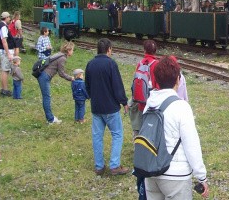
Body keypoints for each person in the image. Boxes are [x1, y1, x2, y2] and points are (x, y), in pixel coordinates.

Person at [143, 56, 209, 199]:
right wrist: (201, 177)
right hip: (175, 175)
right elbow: (191, 144)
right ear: (178, 80)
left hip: (151, 171)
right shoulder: (181, 107)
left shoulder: (150, 104)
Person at [85, 38, 129, 176]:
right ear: (109, 49)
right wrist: (124, 102)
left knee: (97, 136)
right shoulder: (111, 64)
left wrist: (92, 97)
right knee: (117, 134)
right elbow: (117, 86)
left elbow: (87, 85)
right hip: (110, 107)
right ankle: (114, 165)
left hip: (96, 107)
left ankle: (99, 167)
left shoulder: (90, 64)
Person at [37, 41, 75, 124]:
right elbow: (61, 73)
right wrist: (71, 78)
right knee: (46, 97)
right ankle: (50, 119)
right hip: (44, 77)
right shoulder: (62, 58)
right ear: (68, 50)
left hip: (43, 75)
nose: (73, 52)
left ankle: (50, 117)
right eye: (72, 50)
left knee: (46, 97)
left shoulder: (59, 54)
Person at [129, 40, 160, 138]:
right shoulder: (157, 64)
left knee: (139, 123)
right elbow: (157, 84)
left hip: (140, 99)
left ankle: (138, 141)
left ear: (144, 50)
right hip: (151, 100)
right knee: (150, 124)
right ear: (155, 51)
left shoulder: (140, 63)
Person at [0, 12, 14, 97]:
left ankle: (3, 89)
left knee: (4, 70)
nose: (10, 19)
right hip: (5, 52)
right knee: (5, 70)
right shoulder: (3, 27)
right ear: (6, 17)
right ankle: (5, 90)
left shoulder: (0, 25)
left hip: (3, 51)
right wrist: (8, 53)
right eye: (9, 18)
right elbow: (4, 41)